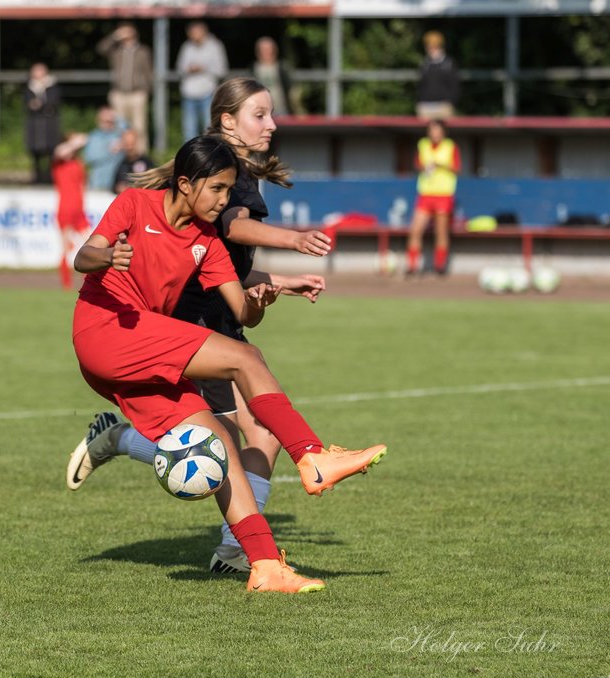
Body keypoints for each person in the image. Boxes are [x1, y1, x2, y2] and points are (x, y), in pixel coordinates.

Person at [71, 135, 386, 593]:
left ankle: (264, 566)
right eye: (217, 189)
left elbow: (242, 315)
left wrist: (262, 300)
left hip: (136, 347)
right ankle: (312, 455)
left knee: (219, 443)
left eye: (229, 189)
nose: (225, 200)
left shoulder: (207, 241)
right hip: (105, 330)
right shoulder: (135, 204)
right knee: (244, 358)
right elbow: (84, 256)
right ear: (185, 183)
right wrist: (108, 255)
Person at [406, 119, 460, 275]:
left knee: (441, 231)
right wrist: (426, 166)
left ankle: (440, 266)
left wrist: (440, 165)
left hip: (444, 194)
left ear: (443, 132)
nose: (434, 133)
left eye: (437, 130)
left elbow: (457, 168)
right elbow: (418, 164)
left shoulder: (450, 146)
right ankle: (412, 266)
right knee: (415, 230)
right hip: (425, 194)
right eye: (431, 130)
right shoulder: (422, 144)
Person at [97, 23, 153, 155]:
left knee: (139, 127)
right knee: (119, 127)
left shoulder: (143, 51)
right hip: (119, 93)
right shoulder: (116, 50)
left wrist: (147, 90)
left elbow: (149, 72)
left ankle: (141, 155)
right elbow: (101, 48)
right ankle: (121, 154)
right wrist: (114, 37)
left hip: (137, 93)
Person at [177, 21, 228, 142]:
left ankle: (210, 157)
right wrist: (189, 69)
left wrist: (203, 68)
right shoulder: (187, 47)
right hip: (188, 93)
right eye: (191, 33)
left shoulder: (215, 46)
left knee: (209, 128)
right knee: (189, 130)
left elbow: (221, 70)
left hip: (208, 92)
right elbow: (180, 68)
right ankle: (190, 157)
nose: (193, 35)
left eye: (195, 32)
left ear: (204, 31)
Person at [53, 132, 90, 290]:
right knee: (66, 246)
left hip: (79, 209)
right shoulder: (58, 162)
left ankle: (88, 278)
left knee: (91, 243)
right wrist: (76, 142)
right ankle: (66, 283)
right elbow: (60, 151)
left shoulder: (77, 162)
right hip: (66, 208)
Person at [24, 62, 62, 185]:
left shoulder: (52, 87)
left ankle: (50, 176)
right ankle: (37, 176)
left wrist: (40, 104)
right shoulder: (29, 87)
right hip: (35, 125)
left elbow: (53, 102)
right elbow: (28, 104)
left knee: (50, 151)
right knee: (36, 153)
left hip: (49, 125)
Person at [416, 30, 459, 120]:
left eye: (432, 46)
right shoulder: (425, 64)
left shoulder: (449, 64)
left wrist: (450, 102)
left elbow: (454, 86)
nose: (429, 48)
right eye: (428, 45)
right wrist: (421, 101)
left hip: (444, 106)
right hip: (425, 106)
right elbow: (421, 85)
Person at [82, 105, 126, 193]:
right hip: (98, 185)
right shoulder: (94, 137)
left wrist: (118, 117)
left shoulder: (120, 135)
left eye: (111, 121)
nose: (109, 123)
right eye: (106, 121)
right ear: (98, 121)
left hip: (116, 186)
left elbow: (129, 129)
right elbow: (89, 157)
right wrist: (109, 150)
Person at [251, 37, 292, 117]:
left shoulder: (281, 67)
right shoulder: (254, 68)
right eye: (263, 49)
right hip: (259, 111)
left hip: (281, 110)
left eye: (268, 49)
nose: (266, 52)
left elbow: (289, 88)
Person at [112, 128, 153, 194]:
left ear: (137, 143)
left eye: (132, 144)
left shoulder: (147, 163)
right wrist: (118, 188)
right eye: (126, 144)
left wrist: (134, 188)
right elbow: (113, 187)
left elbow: (154, 185)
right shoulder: (120, 164)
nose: (129, 148)